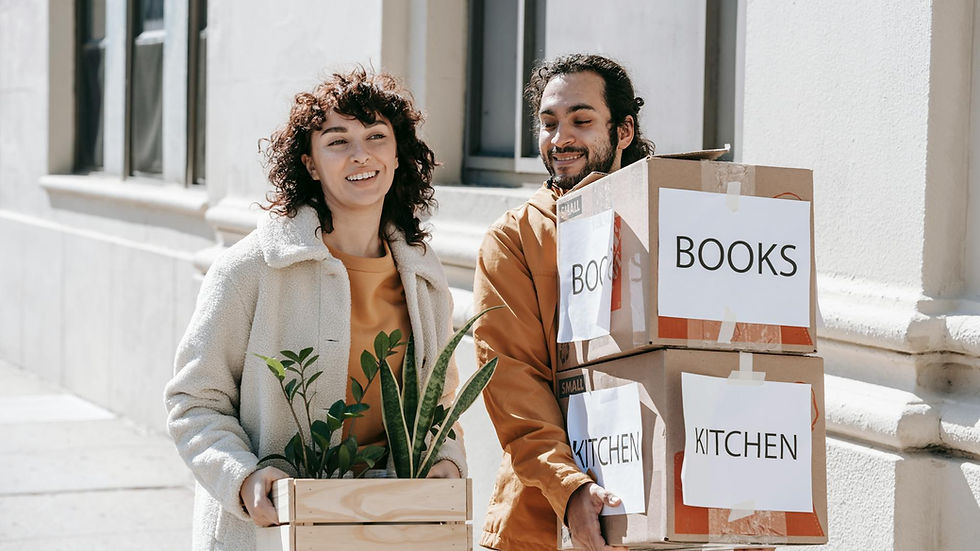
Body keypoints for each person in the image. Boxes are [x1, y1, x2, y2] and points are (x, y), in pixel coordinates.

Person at [164, 68, 465, 551]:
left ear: (396, 154)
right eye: (337, 140)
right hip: (271, 531)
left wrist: (446, 463)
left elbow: (442, 406)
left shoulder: (423, 277)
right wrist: (242, 478)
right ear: (310, 164)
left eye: (376, 137)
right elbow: (194, 403)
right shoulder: (250, 269)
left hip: (394, 527)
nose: (361, 154)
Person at [473, 54, 655, 551]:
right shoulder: (514, 239)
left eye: (581, 120)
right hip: (542, 521)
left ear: (623, 131)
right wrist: (570, 489)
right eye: (549, 123)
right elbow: (512, 380)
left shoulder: (669, 221)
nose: (560, 139)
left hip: (662, 509)